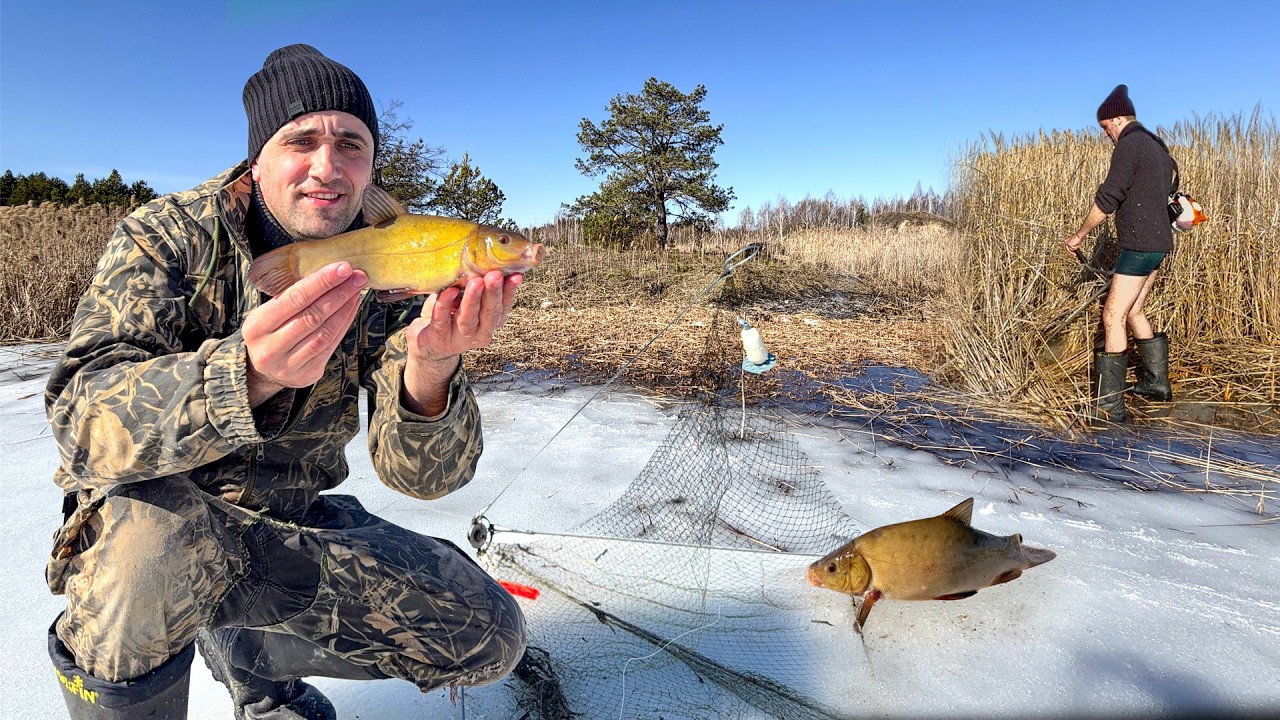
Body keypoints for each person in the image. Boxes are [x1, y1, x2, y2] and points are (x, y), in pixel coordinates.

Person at [44, 44, 527, 720]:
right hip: (152, 520)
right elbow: (80, 420)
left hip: (287, 526)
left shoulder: (398, 260)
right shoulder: (167, 237)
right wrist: (245, 377)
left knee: (487, 634)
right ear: (257, 157)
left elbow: (422, 478)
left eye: (351, 145)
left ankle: (255, 671)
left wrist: (432, 366)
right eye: (301, 140)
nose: (327, 168)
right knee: (142, 560)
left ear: (371, 163)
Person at [1064, 84, 1177, 425]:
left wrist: (1080, 234)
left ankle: (1109, 408)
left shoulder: (1130, 146)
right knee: (1135, 310)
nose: (1106, 135)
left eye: (1104, 128)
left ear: (1115, 119)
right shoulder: (1159, 148)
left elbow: (1107, 199)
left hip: (1140, 246)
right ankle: (1156, 385)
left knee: (1112, 315)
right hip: (1160, 245)